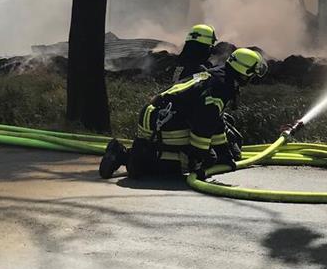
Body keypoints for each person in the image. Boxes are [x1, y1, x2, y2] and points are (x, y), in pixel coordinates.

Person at [99, 47, 267, 180]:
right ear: (244, 71)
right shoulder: (222, 86)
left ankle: (137, 155)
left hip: (160, 115)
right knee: (191, 163)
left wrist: (224, 152)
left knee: (204, 155)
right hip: (164, 121)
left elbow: (214, 120)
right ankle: (126, 157)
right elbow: (203, 122)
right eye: (252, 73)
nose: (253, 78)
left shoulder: (219, 75)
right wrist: (197, 158)